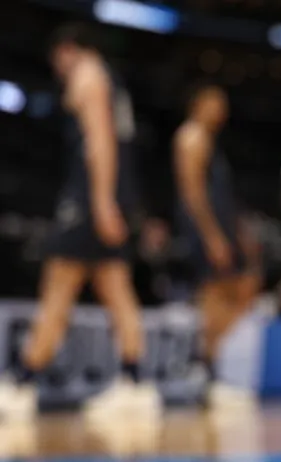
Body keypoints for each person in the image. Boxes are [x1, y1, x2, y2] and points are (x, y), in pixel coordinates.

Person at [0, 24, 159, 422]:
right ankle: (135, 383)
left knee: (59, 283)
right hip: (111, 194)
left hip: (90, 197)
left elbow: (100, 140)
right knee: (115, 286)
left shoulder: (88, 75)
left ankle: (21, 382)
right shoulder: (110, 78)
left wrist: (101, 202)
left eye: (57, 58)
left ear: (67, 49)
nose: (57, 68)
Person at [172, 84, 257, 409]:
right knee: (214, 295)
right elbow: (192, 192)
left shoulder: (211, 141)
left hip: (221, 225)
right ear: (198, 103)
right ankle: (202, 368)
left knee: (239, 290)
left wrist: (236, 231)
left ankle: (205, 363)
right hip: (204, 228)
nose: (221, 110)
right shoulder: (191, 136)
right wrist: (211, 235)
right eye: (215, 103)